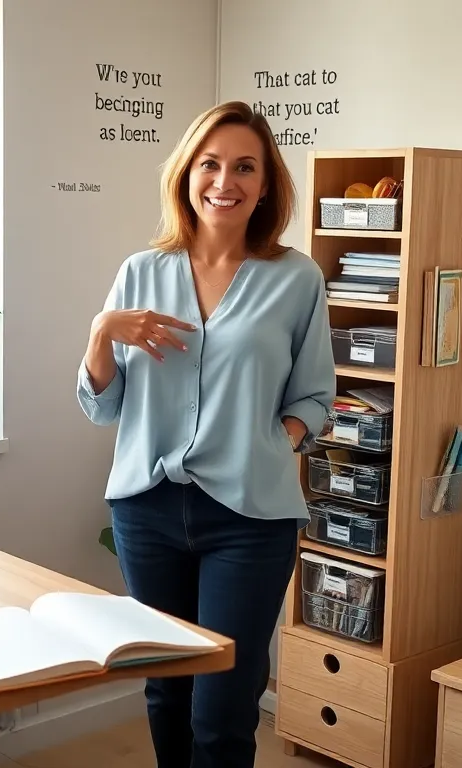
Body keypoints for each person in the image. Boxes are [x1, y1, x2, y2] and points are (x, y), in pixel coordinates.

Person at [75, 100, 335, 768]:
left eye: (245, 166)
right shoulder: (142, 271)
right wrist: (102, 332)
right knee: (166, 692)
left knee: (222, 710)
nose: (226, 180)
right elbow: (103, 409)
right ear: (187, 175)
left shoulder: (295, 277)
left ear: (266, 182)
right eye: (211, 164)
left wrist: (275, 437)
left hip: (249, 517)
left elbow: (315, 395)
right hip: (148, 509)